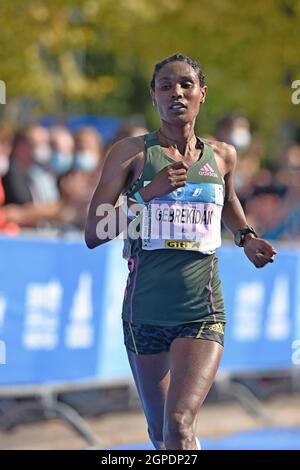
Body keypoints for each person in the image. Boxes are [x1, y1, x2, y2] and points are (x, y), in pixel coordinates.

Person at [85, 53, 277, 450]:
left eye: (186, 84)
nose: (176, 92)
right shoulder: (131, 154)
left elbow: (228, 202)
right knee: (160, 435)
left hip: (201, 310)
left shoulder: (222, 155)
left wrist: (246, 237)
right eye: (165, 85)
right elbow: (95, 231)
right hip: (145, 311)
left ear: (201, 94)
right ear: (153, 97)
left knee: (179, 424)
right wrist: (145, 194)